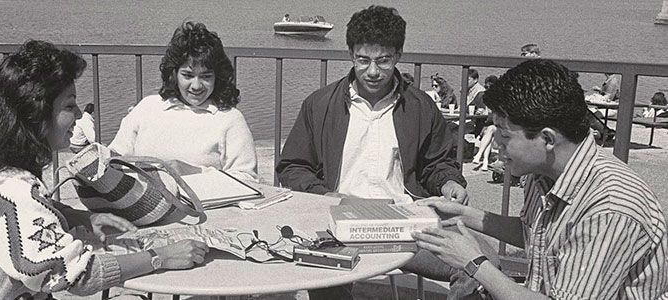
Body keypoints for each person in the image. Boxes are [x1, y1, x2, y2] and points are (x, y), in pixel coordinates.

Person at [0, 40, 209, 300]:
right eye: (69, 105)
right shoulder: (13, 191)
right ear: (35, 112)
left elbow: (29, 215)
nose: (78, 115)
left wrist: (83, 218)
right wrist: (160, 257)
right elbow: (75, 274)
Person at [276, 5, 496, 299]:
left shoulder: (420, 106)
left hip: (404, 225)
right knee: (327, 280)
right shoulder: (319, 104)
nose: (373, 71)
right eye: (363, 60)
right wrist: (325, 195)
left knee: (484, 262)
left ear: (399, 56)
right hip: (337, 223)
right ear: (350, 55)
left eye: (383, 61)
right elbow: (292, 166)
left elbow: (437, 162)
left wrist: (448, 182)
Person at [413, 59, 668, 299]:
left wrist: (474, 262)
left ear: (547, 139)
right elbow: (533, 233)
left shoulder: (609, 210)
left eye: (504, 134)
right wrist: (459, 214)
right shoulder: (544, 171)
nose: (496, 145)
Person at [109, 21, 259, 182]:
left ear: (218, 77)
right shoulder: (147, 107)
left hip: (200, 205)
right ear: (173, 74)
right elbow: (114, 158)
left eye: (206, 76)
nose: (196, 86)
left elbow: (247, 179)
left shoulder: (229, 118)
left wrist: (194, 172)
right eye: (187, 75)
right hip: (141, 202)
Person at [471, 75, 498, 171]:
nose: (488, 90)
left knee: (490, 130)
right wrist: (476, 110)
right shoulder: (481, 96)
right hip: (483, 126)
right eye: (486, 87)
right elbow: (469, 108)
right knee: (489, 132)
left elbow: (500, 117)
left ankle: (479, 155)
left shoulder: (499, 99)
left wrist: (488, 113)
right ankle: (485, 160)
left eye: (491, 88)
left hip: (497, 126)